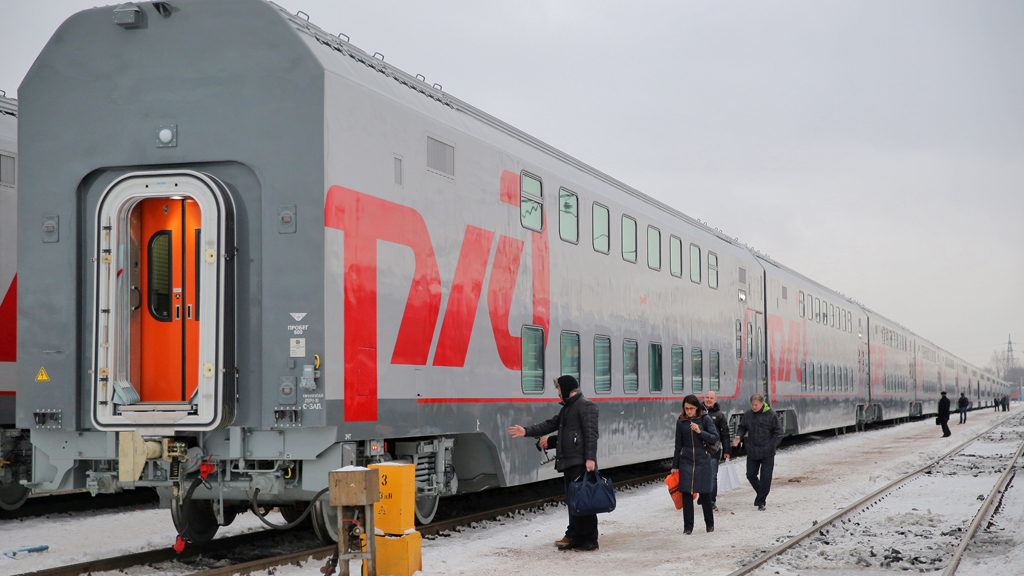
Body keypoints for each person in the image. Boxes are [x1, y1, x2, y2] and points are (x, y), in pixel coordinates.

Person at [508, 375, 599, 551]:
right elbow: (551, 425)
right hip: (569, 461)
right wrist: (525, 431)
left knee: (584, 501)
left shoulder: (586, 406)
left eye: (559, 389)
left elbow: (591, 434)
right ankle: (578, 538)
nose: (558, 393)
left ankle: (590, 540)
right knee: (574, 501)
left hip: (580, 461)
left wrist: (590, 459)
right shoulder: (567, 408)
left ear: (566, 389)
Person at [671, 395, 719, 534]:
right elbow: (678, 445)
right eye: (686, 409)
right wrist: (675, 465)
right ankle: (688, 527)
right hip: (686, 461)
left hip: (702, 460)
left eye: (691, 408)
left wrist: (699, 431)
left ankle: (709, 525)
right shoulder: (681, 421)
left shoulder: (705, 418)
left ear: (697, 407)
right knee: (686, 494)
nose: (689, 411)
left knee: (705, 494)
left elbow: (714, 437)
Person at [731, 393, 783, 511]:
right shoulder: (748, 414)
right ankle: (761, 494)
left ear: (761, 403)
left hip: (767, 452)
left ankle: (761, 501)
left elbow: (779, 432)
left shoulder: (771, 415)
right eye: (752, 405)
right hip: (752, 451)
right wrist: (739, 436)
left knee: (766, 478)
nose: (754, 407)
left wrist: (771, 445)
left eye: (756, 405)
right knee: (750, 475)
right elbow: (742, 427)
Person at [701, 391, 732, 511]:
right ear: (704, 398)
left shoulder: (719, 415)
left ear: (715, 400)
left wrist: (727, 450)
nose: (709, 400)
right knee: (701, 476)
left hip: (714, 451)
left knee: (712, 476)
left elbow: (725, 434)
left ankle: (711, 500)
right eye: (707, 397)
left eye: (711, 398)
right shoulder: (698, 412)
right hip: (700, 451)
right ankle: (703, 495)